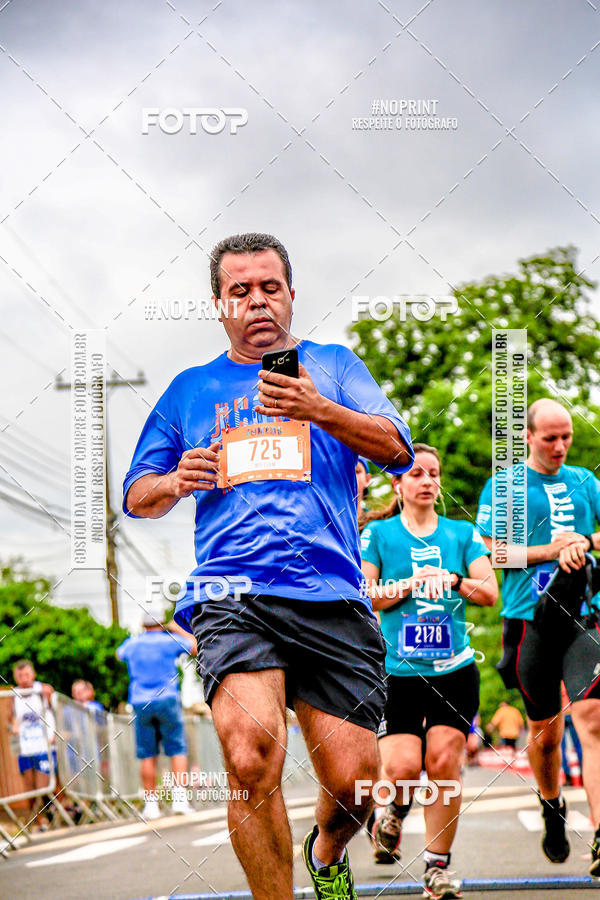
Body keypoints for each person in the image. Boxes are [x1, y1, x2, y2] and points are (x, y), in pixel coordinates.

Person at [123, 232, 413, 900]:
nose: (257, 301)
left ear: (289, 294)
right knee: (249, 759)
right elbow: (137, 495)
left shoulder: (334, 366)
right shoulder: (190, 390)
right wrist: (173, 483)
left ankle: (327, 852)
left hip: (331, 592)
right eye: (240, 290)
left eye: (269, 287)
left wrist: (318, 409)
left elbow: (397, 449)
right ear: (219, 304)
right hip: (234, 592)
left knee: (353, 785)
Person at [361, 443, 497, 898]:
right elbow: (365, 595)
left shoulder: (461, 534)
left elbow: (489, 591)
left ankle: (437, 867)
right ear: (398, 484)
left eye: (433, 474)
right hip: (398, 670)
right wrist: (411, 583)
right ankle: (395, 810)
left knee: (442, 763)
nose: (427, 481)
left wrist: (456, 579)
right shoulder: (379, 535)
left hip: (454, 668)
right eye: (416, 474)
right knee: (401, 767)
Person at [476, 398, 600, 876]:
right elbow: (488, 551)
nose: (560, 446)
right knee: (546, 735)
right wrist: (552, 550)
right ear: (527, 436)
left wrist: (585, 543)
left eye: (566, 436)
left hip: (584, 617)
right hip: (528, 618)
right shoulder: (505, 486)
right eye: (550, 438)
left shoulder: (584, 482)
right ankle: (552, 807)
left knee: (593, 721)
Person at [116, 611, 197, 819]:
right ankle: (179, 799)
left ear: (143, 626)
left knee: (146, 754)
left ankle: (151, 805)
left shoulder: (133, 643)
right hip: (167, 699)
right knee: (177, 748)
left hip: (140, 701)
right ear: (161, 624)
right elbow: (195, 647)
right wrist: (176, 627)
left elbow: (119, 654)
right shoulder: (167, 641)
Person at [7, 660, 56, 830]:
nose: (24, 678)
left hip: (44, 746)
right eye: (20, 675)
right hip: (26, 747)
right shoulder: (13, 695)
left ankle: (49, 815)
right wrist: (13, 727)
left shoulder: (42, 690)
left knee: (43, 786)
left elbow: (54, 708)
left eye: (27, 674)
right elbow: (12, 718)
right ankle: (39, 820)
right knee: (30, 787)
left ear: (33, 674)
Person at [560, 682, 583, 787]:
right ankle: (583, 774)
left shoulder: (556, 682)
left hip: (560, 715)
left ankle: (567, 776)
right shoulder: (570, 679)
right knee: (579, 745)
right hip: (573, 713)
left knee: (561, 748)